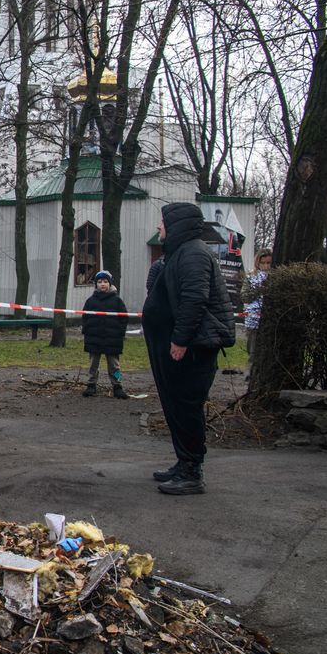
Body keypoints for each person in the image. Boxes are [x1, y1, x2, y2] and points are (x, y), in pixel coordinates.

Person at [142, 202, 236, 496]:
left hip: (192, 350)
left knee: (186, 407)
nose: (159, 228)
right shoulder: (179, 253)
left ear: (177, 226)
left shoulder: (193, 253)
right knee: (176, 407)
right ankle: (184, 462)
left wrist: (180, 340)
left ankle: (191, 471)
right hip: (176, 347)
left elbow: (194, 300)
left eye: (163, 223)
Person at [80, 270, 129, 399]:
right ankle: (91, 385)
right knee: (93, 365)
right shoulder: (90, 301)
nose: (102, 284)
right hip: (94, 339)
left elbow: (124, 318)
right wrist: (87, 331)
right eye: (100, 282)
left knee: (115, 365)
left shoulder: (117, 301)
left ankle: (117, 386)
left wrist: (120, 333)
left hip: (112, 339)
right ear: (96, 284)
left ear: (110, 283)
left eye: (105, 282)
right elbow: (85, 317)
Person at [242, 248, 272, 370]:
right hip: (253, 320)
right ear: (257, 262)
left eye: (268, 263)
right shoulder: (250, 276)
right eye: (262, 263)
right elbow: (244, 297)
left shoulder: (276, 277)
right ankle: (251, 375)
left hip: (271, 320)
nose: (265, 266)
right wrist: (257, 290)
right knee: (253, 352)